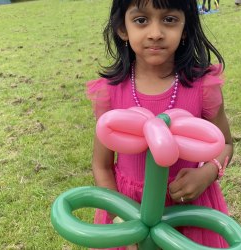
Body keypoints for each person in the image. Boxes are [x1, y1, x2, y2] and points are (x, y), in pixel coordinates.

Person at [86, 0, 233, 249]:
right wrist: (123, 223)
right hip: (128, 209)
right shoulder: (110, 93)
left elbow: (226, 144)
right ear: (122, 28)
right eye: (141, 20)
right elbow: (102, 167)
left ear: (185, 27)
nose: (155, 33)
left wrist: (208, 173)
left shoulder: (203, 87)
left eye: (169, 20)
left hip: (189, 209)